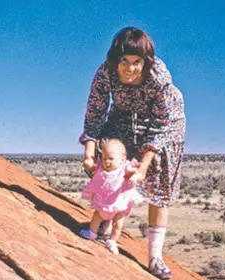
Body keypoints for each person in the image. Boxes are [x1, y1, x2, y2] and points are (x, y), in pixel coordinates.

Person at [79, 27, 186, 279]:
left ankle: (155, 257)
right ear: (115, 59)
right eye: (124, 61)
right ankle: (106, 217)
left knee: (159, 180)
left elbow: (161, 125)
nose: (129, 68)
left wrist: (144, 166)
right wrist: (89, 152)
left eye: (136, 62)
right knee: (109, 155)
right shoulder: (105, 72)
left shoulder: (159, 78)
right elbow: (94, 113)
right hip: (124, 115)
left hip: (165, 122)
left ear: (145, 62)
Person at [79, 138, 144, 255]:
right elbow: (93, 166)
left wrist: (134, 176)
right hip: (104, 201)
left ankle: (113, 241)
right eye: (104, 158)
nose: (107, 162)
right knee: (97, 216)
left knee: (118, 224)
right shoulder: (101, 167)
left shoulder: (125, 168)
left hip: (119, 203)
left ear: (122, 159)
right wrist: (89, 162)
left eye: (111, 159)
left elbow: (134, 171)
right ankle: (92, 233)